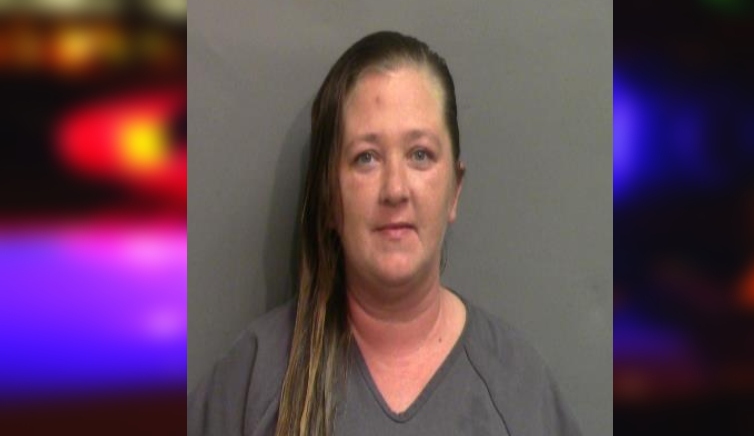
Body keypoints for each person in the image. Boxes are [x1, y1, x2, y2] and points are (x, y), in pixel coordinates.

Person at [188, 31, 583, 435]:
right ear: (329, 198)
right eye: (366, 158)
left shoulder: (519, 391)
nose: (395, 189)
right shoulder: (254, 381)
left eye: (420, 154)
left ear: (454, 191)